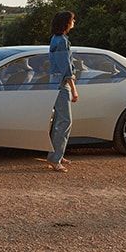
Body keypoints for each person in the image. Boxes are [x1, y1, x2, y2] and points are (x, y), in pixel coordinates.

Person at [46, 10, 78, 172]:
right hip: (61, 85)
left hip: (55, 83)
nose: (74, 22)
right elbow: (65, 67)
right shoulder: (62, 41)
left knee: (59, 121)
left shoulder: (55, 39)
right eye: (72, 20)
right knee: (65, 121)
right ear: (66, 23)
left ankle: (58, 154)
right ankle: (55, 158)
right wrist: (74, 89)